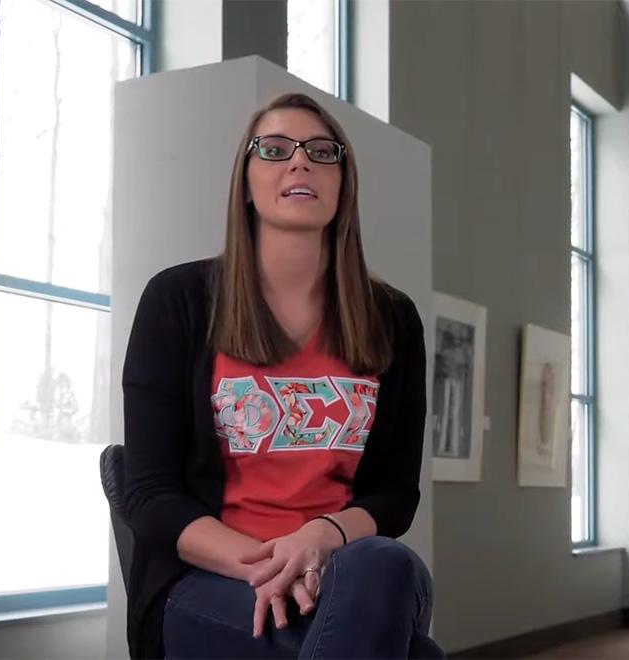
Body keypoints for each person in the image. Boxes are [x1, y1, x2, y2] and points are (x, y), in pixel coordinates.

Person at [121, 91, 442, 659]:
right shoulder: (179, 300)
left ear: (344, 186)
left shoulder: (392, 319)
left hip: (346, 571)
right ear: (245, 184)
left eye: (322, 152)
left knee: (385, 564)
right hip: (209, 578)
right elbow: (150, 496)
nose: (300, 162)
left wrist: (321, 538)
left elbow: (396, 493)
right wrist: (276, 567)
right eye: (273, 150)